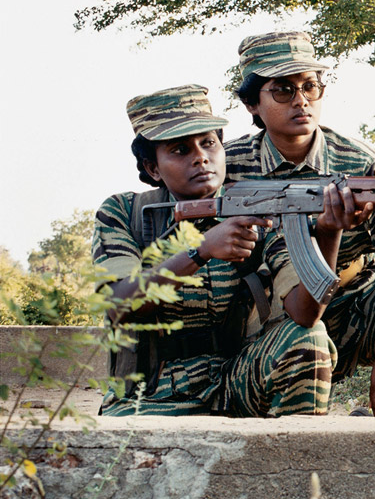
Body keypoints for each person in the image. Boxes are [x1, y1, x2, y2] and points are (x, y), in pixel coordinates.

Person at [223, 30, 375, 416]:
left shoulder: (357, 162)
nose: (302, 100)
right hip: (276, 322)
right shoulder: (228, 166)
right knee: (305, 335)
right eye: (283, 90)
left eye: (311, 86)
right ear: (251, 103)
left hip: (359, 302)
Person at [93, 86, 334, 417]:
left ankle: (300, 463)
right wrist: (200, 251)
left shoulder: (261, 207)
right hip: (147, 397)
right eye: (180, 149)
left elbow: (305, 314)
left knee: (309, 336)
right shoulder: (126, 214)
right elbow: (119, 304)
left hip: (234, 383)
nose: (200, 156)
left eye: (209, 143)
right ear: (152, 168)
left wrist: (329, 230)